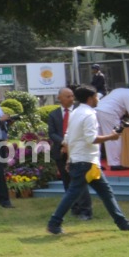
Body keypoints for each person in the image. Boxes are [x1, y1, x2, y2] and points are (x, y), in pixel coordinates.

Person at [47, 86, 129, 235]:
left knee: (105, 192)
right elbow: (91, 139)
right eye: (96, 96)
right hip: (86, 162)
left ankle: (122, 222)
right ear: (90, 98)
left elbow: (68, 137)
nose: (98, 99)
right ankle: (54, 223)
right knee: (74, 193)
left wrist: (70, 159)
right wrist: (111, 137)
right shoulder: (89, 115)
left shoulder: (75, 112)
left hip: (85, 161)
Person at [46, 88, 93, 220]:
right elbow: (52, 133)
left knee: (80, 181)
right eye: (68, 96)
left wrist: (70, 144)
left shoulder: (79, 112)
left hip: (77, 151)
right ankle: (74, 208)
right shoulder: (53, 114)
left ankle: (85, 210)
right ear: (59, 98)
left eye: (72, 96)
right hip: (61, 151)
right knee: (67, 182)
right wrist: (64, 143)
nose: (71, 99)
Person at [94, 83, 129, 169]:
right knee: (114, 137)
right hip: (109, 113)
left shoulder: (120, 90)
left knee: (98, 138)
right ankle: (115, 164)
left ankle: (95, 164)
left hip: (97, 111)